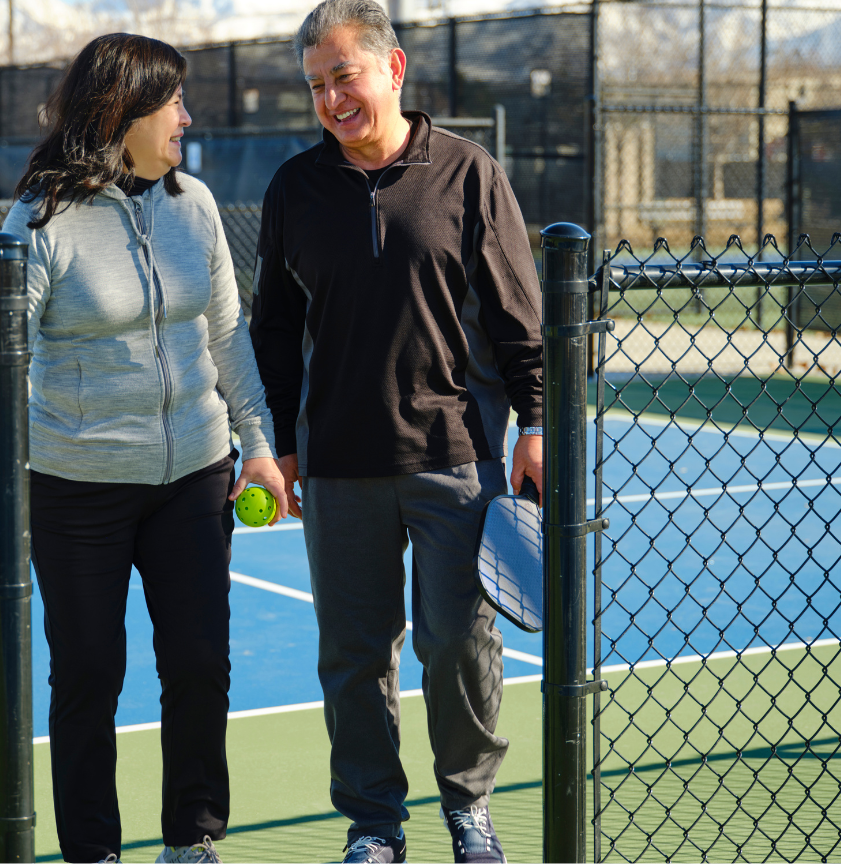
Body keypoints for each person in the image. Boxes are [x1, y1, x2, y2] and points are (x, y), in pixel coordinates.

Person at [247, 3, 545, 863]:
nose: (331, 97)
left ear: (393, 69)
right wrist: (282, 446)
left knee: (458, 642)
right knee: (351, 656)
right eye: (315, 85)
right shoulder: (292, 189)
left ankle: (469, 808)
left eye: (342, 75)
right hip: (337, 463)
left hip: (455, 455)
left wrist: (534, 423)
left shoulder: (468, 173)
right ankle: (374, 824)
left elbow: (518, 316)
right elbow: (273, 329)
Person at [0, 33, 291, 864]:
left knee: (199, 667)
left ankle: (192, 841)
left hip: (193, 478)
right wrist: (17, 480)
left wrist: (258, 445)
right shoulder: (39, 220)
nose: (185, 119)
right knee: (88, 678)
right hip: (77, 489)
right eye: (170, 104)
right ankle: (92, 851)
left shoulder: (191, 203)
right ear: (119, 112)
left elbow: (227, 334)